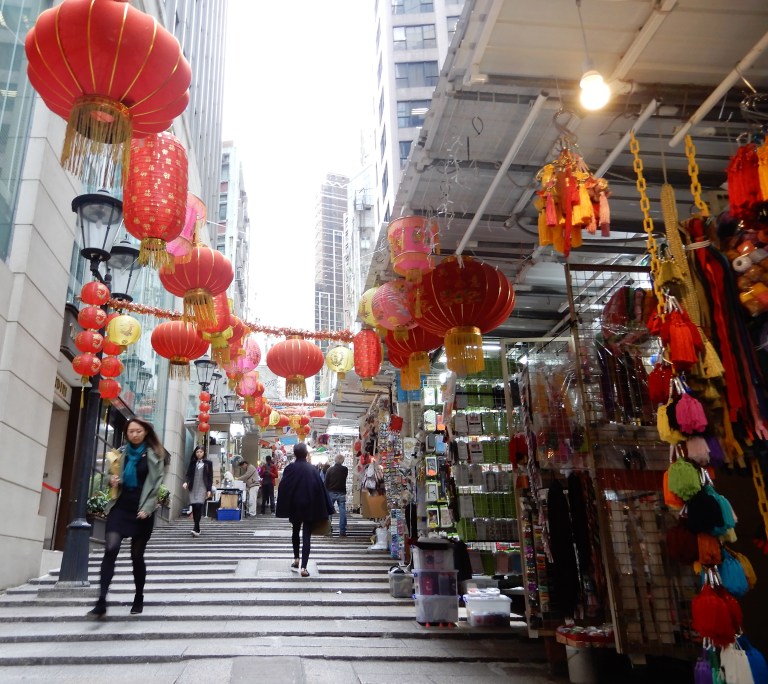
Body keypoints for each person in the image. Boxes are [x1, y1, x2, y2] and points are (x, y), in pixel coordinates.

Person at [88, 417, 165, 618]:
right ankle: (101, 600)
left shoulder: (155, 455)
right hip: (121, 508)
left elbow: (156, 486)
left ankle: (138, 596)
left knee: (136, 556)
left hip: (142, 511)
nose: (134, 434)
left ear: (145, 432)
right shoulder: (120, 454)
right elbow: (108, 476)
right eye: (131, 431)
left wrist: (148, 508)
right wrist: (111, 480)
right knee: (110, 549)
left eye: (138, 431)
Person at [275, 443, 334, 577]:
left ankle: (296, 558)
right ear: (306, 454)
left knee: (295, 532)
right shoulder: (312, 469)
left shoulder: (290, 468)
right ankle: (304, 568)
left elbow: (284, 486)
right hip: (309, 506)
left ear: (295, 454)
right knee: (306, 535)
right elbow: (319, 487)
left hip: (295, 506)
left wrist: (285, 502)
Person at [182, 445, 212, 537]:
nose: (199, 453)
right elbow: (188, 474)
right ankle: (197, 527)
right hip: (193, 487)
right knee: (194, 507)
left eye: (201, 452)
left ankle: (195, 527)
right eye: (197, 452)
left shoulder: (208, 463)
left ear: (204, 453)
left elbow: (210, 477)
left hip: (202, 487)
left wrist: (209, 489)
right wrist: (186, 482)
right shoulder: (192, 463)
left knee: (199, 505)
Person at [324, 454, 349, 537]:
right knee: (342, 511)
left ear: (335, 460)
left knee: (329, 512)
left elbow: (326, 482)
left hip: (331, 492)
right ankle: (342, 531)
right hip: (341, 492)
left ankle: (327, 530)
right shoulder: (345, 469)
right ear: (342, 461)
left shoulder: (330, 470)